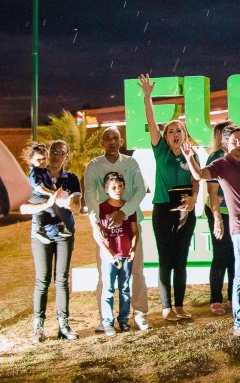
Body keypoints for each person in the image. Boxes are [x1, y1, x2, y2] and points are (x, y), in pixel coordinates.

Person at [183, 125, 240, 338]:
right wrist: (189, 157)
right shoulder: (221, 164)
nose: (239, 143)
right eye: (234, 141)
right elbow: (199, 175)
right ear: (225, 144)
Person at [138, 74, 199, 322]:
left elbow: (196, 178)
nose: (175, 134)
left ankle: (180, 306)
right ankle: (166, 307)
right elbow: (152, 122)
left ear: (185, 134)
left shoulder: (190, 154)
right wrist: (148, 97)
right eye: (171, 131)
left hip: (186, 210)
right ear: (165, 137)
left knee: (181, 260)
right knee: (166, 260)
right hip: (163, 210)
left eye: (179, 130)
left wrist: (194, 198)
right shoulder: (161, 151)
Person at [84, 127, 150, 331]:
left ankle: (139, 313)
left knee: (135, 271)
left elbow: (140, 190)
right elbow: (89, 194)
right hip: (105, 227)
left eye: (115, 138)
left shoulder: (130, 163)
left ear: (121, 142)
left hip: (130, 224)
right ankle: (105, 319)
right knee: (105, 275)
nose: (112, 142)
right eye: (107, 139)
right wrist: (96, 223)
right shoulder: (94, 165)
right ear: (102, 142)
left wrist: (124, 212)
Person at [20, 140, 81, 341]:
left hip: (64, 233)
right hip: (41, 235)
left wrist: (67, 202)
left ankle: (64, 325)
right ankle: (39, 328)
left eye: (61, 153)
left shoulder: (71, 178)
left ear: (66, 156)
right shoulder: (36, 176)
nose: (56, 156)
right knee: (42, 280)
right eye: (53, 151)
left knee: (62, 280)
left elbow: (77, 207)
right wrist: (47, 203)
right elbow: (23, 207)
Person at [92, 171, 139, 336]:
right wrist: (107, 252)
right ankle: (107, 322)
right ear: (106, 189)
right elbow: (97, 234)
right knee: (109, 289)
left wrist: (133, 248)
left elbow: (135, 230)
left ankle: (123, 320)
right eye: (113, 187)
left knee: (125, 288)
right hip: (109, 256)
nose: (118, 189)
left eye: (120, 186)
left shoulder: (128, 208)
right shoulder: (101, 208)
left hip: (126, 255)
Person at [204, 121, 236, 316]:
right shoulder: (216, 157)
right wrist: (217, 219)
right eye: (227, 133)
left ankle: (233, 296)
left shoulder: (238, 156)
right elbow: (212, 191)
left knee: (234, 255)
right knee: (221, 254)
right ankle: (216, 299)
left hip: (235, 213)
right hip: (219, 212)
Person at [24, 143, 73, 244]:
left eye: (44, 158)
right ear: (31, 160)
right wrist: (50, 193)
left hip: (42, 195)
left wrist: (55, 190)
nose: (42, 161)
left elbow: (51, 183)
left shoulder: (45, 171)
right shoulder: (35, 173)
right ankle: (59, 226)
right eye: (39, 159)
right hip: (35, 196)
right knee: (50, 207)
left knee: (42, 212)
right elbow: (39, 187)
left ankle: (42, 230)